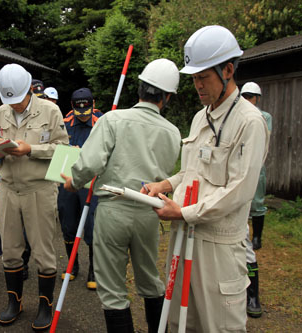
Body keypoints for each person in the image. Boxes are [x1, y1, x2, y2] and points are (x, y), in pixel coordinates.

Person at [144, 26, 270, 332]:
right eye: (194, 78)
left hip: (219, 246)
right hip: (183, 236)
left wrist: (183, 211)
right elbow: (192, 171)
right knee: (181, 323)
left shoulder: (249, 122)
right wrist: (165, 185)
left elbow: (239, 190)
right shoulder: (201, 116)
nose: (197, 85)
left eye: (204, 77)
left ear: (228, 70)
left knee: (218, 325)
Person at [62, 59, 182, 332]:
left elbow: (90, 164)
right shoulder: (173, 132)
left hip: (113, 209)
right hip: (150, 213)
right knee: (150, 280)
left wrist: (73, 182)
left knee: (113, 290)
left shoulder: (112, 119)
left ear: (140, 88)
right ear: (167, 97)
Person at [0, 63, 69, 330]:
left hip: (40, 189)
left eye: (20, 99)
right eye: (10, 100)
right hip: (9, 188)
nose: (16, 106)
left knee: (44, 251)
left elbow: (64, 149)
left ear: (30, 91)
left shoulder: (50, 111)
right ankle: (15, 302)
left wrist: (31, 149)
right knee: (10, 249)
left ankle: (45, 305)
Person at [58, 87, 103, 290]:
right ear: (73, 108)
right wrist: (68, 150)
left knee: (92, 226)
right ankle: (72, 265)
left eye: (87, 112)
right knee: (68, 223)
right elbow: (55, 145)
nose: (83, 116)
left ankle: (94, 268)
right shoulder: (64, 122)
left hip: (92, 182)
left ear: (93, 105)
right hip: (67, 179)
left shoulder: (102, 122)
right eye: (79, 112)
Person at [241, 81, 272, 319]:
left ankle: (253, 295)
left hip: (251, 174)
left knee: (246, 247)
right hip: (228, 187)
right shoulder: (232, 116)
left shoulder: (260, 119)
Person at [242, 81, 272, 251]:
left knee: (257, 201)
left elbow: (263, 139)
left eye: (250, 97)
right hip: (239, 163)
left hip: (257, 164)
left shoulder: (264, 117)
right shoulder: (237, 115)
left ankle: (257, 237)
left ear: (257, 99)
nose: (247, 99)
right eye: (244, 96)